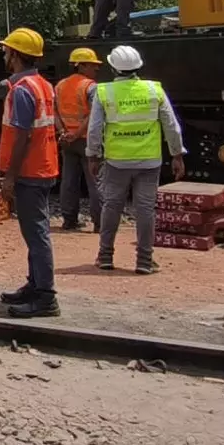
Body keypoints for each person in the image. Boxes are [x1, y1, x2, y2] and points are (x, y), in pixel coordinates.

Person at [87, 45, 185, 275]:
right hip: (149, 160)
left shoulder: (104, 92)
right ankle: (144, 261)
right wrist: (177, 154)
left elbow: (94, 129)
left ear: (113, 68)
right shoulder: (154, 90)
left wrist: (93, 155)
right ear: (138, 66)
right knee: (145, 210)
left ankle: (105, 257)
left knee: (111, 206)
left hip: (116, 160)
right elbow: (171, 125)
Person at [0, 28, 61, 318]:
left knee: (36, 234)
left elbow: (22, 136)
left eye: (8, 51)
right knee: (35, 231)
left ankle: (45, 297)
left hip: (30, 170)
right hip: (44, 165)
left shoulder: (22, 90)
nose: (5, 55)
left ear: (16, 55)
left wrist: (10, 176)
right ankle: (36, 285)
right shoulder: (43, 85)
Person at [55, 48, 103, 232]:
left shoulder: (59, 86)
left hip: (67, 141)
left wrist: (63, 132)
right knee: (95, 181)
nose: (96, 69)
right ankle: (99, 224)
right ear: (81, 65)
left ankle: (69, 221)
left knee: (69, 181)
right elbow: (93, 116)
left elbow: (55, 113)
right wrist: (76, 134)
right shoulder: (90, 87)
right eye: (93, 65)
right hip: (86, 140)